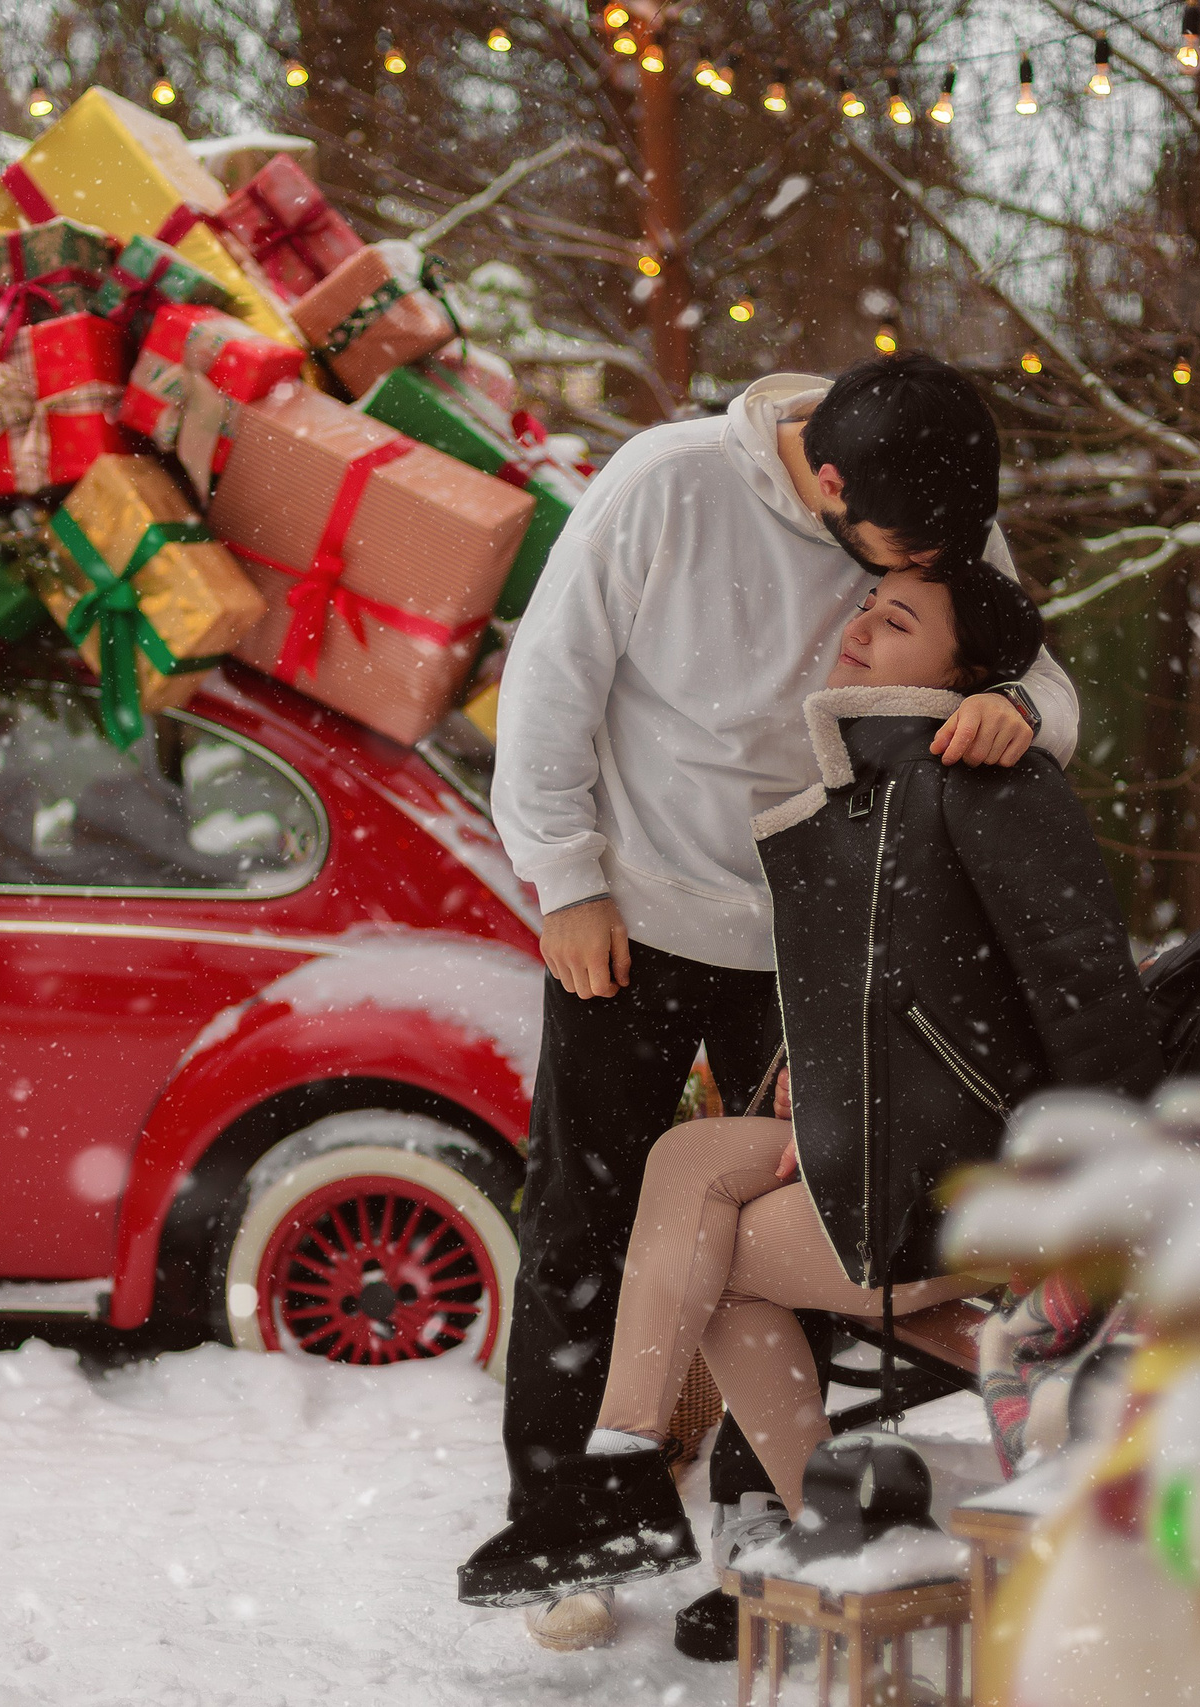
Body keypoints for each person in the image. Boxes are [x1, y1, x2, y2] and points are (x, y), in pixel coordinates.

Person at [460, 354, 1083, 1647]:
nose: (905, 572)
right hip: (635, 908)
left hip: (821, 938)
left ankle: (761, 1522)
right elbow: (550, 685)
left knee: (808, 1218)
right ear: (829, 479)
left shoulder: (938, 502)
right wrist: (564, 880)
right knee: (585, 1201)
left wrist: (1021, 708)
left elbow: (1036, 670)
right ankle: (577, 1516)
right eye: (898, 550)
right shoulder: (665, 484)